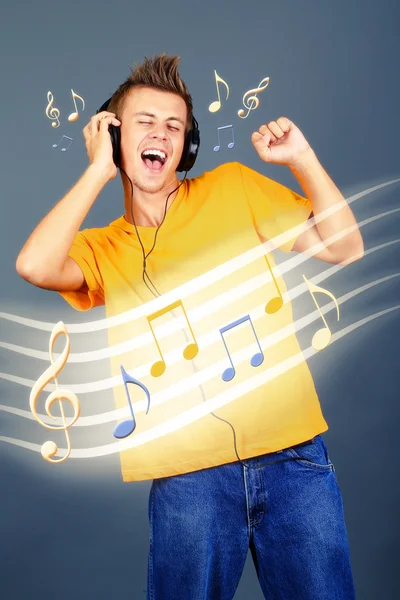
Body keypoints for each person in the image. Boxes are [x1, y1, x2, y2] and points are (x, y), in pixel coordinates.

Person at [16, 54, 363, 599]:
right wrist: (95, 171)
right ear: (113, 138)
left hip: (294, 460)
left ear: (188, 145)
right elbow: (34, 265)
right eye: (144, 122)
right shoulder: (103, 249)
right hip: (189, 480)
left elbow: (346, 245)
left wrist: (302, 158)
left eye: (174, 126)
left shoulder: (233, 187)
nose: (161, 134)